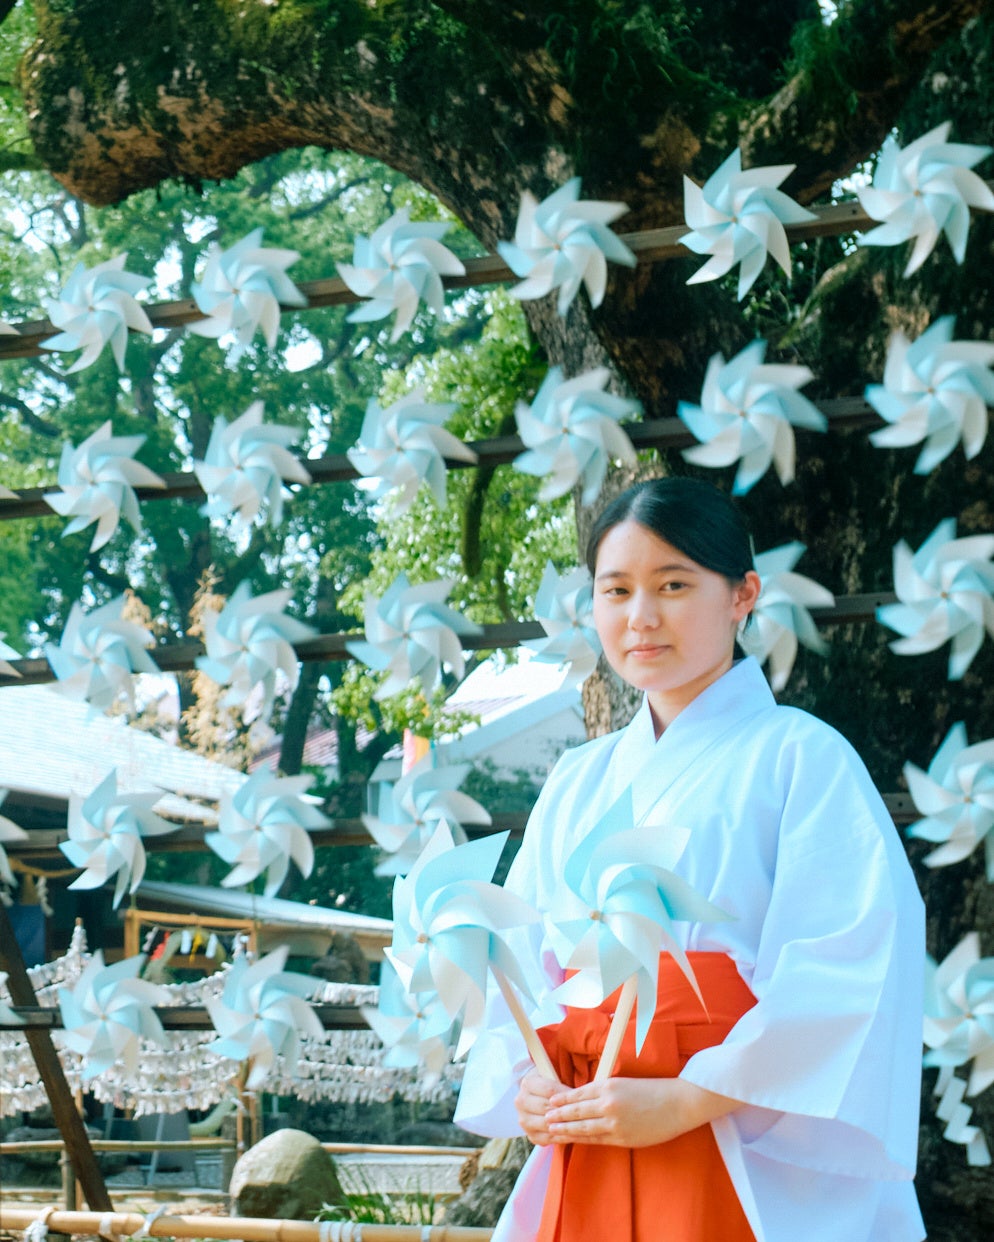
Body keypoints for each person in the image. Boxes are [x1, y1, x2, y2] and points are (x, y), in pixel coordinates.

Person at [454, 476, 925, 1242]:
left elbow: (849, 962)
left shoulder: (802, 757)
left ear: (743, 595)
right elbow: (526, 961)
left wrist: (685, 1099)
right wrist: (530, 1075)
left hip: (733, 1130)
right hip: (592, 1121)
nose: (641, 617)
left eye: (673, 585)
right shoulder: (579, 778)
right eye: (616, 591)